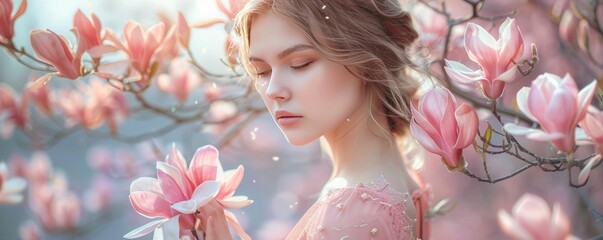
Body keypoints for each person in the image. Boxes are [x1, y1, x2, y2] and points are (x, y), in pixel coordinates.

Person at [199, 0, 431, 239]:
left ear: (367, 59)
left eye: (300, 64)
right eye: (262, 71)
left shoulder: (353, 214)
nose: (272, 90)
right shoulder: (398, 181)